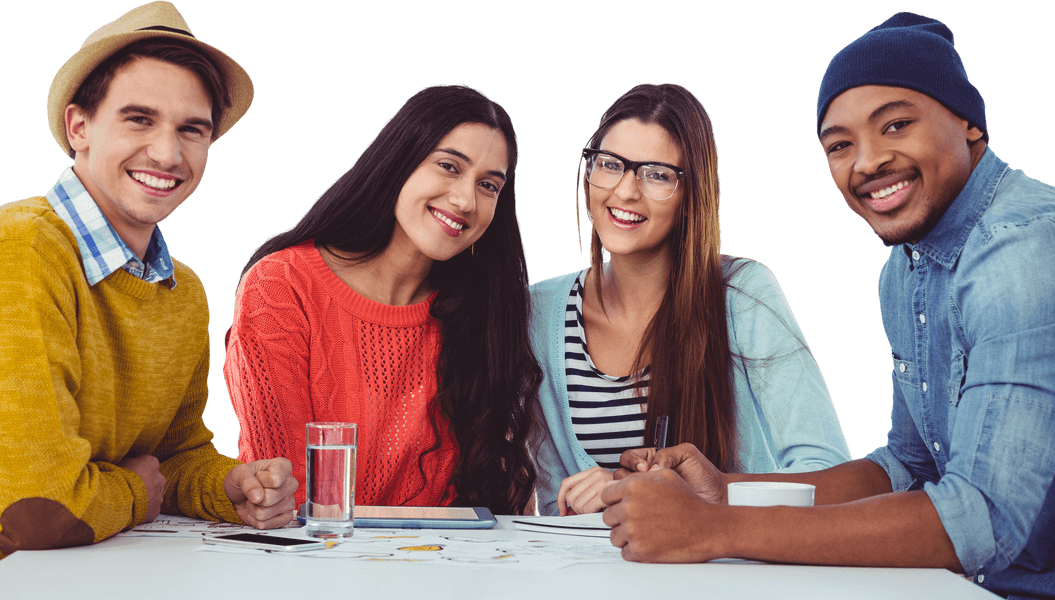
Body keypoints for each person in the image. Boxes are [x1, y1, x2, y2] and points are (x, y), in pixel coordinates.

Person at [599, 13, 1055, 600]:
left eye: (896, 125)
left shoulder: (1018, 256)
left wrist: (714, 528)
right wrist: (724, 490)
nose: (866, 162)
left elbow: (983, 520)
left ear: (970, 124)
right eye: (840, 145)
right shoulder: (906, 267)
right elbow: (907, 465)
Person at [0, 1, 298, 572]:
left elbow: (171, 461)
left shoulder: (183, 290)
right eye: (138, 119)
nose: (168, 153)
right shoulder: (19, 250)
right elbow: (37, 514)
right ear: (79, 126)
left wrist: (230, 485)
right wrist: (133, 491)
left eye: (192, 130)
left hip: (87, 574)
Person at [530, 83, 851, 517]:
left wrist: (665, 491)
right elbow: (555, 505)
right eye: (610, 165)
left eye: (657, 174)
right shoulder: (540, 311)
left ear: (691, 195)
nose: (625, 191)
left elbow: (827, 472)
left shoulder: (742, 294)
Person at [224, 84, 541, 516]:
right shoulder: (281, 286)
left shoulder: (483, 315)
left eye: (488, 185)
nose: (466, 200)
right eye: (449, 166)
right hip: (308, 569)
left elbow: (501, 503)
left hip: (444, 571)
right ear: (400, 162)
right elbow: (287, 496)